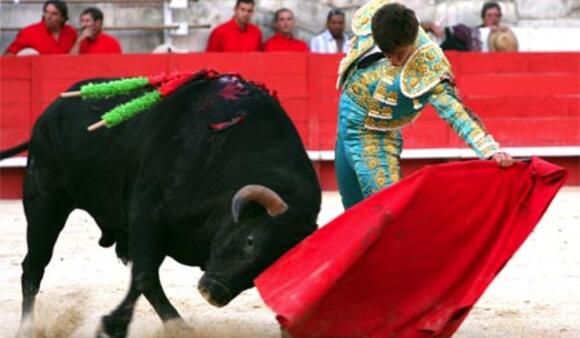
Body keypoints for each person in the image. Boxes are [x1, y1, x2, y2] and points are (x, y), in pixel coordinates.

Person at [335, 1, 514, 209]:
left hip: (375, 138)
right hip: (343, 128)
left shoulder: (430, 64)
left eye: (399, 54)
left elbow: (455, 112)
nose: (393, 60)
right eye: (387, 54)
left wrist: (490, 150)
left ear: (411, 41)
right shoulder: (377, 17)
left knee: (386, 213)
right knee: (351, 216)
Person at [4, 0, 77, 55]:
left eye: (54, 14)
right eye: (46, 12)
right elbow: (9, 55)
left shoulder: (71, 33)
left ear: (62, 18)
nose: (49, 16)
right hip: (39, 73)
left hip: (65, 73)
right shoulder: (29, 32)